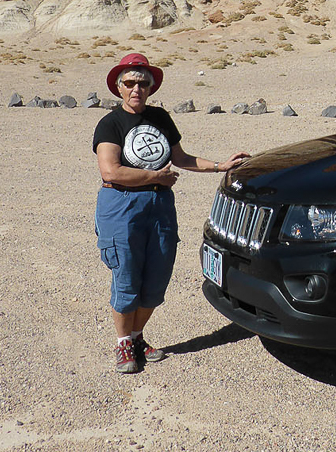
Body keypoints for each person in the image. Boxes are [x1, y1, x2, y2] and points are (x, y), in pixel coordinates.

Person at [92, 52, 249, 373]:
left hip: (160, 205)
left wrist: (221, 165)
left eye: (143, 84)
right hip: (122, 205)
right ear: (119, 88)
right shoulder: (110, 123)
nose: (137, 89)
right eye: (130, 83)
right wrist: (154, 177)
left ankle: (137, 336)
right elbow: (111, 172)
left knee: (157, 276)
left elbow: (181, 158)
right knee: (126, 275)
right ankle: (123, 343)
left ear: (151, 88)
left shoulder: (160, 117)